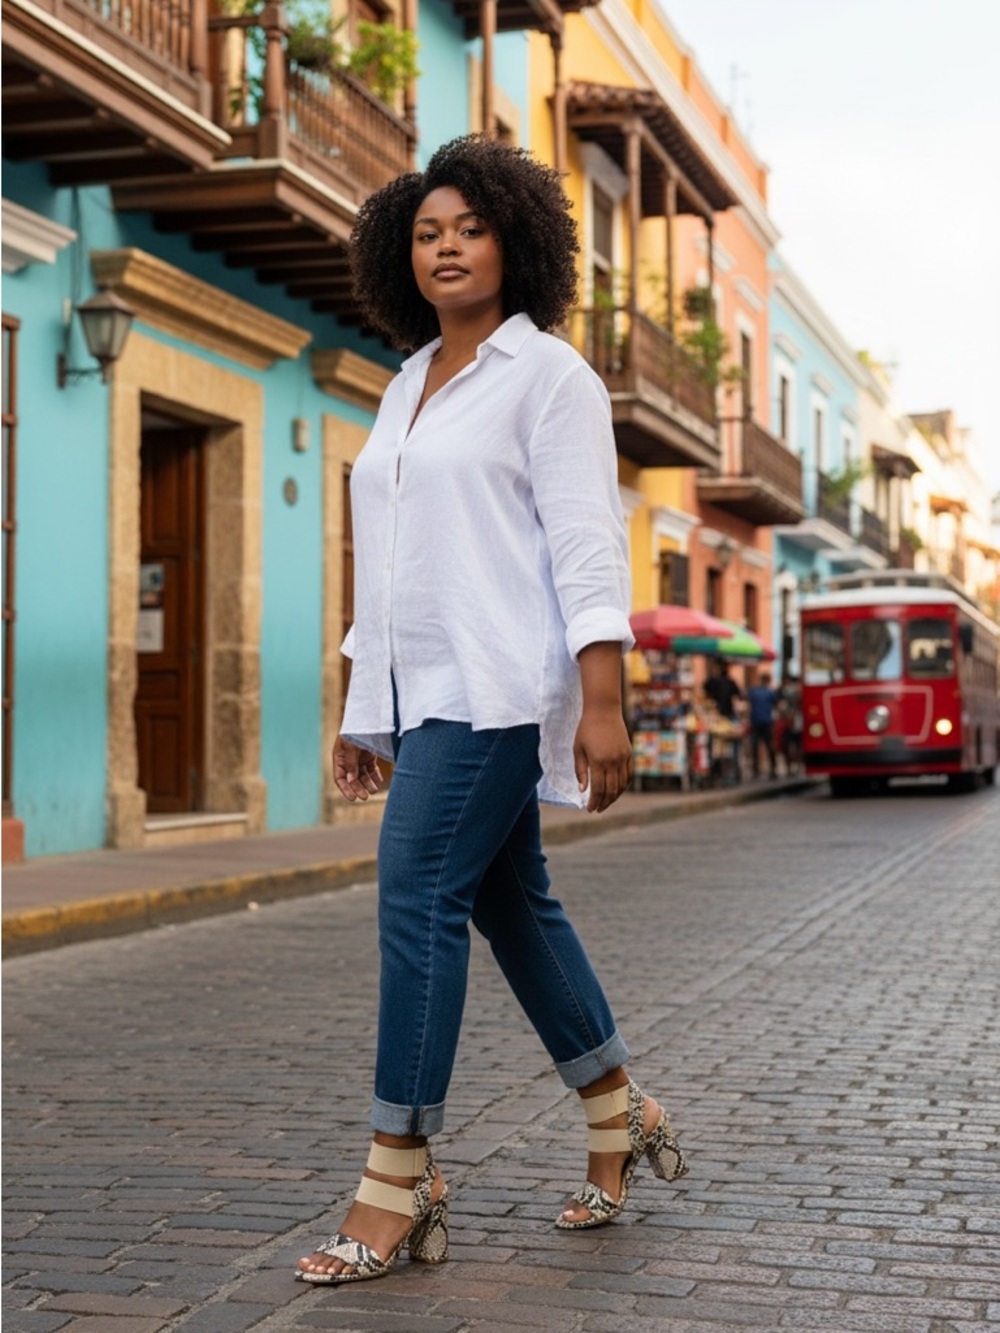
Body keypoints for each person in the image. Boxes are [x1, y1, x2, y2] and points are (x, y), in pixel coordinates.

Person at [295, 136, 687, 1286]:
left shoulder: (550, 376)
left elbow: (582, 541)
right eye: (426, 233)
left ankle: (397, 1179)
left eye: (468, 227)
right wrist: (367, 699)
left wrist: (602, 701)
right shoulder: (405, 380)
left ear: (514, 241)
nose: (447, 247)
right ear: (399, 255)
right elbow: (391, 555)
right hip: (427, 694)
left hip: (502, 689)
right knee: (513, 907)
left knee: (415, 891)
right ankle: (620, 1112)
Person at [746, 671, 780, 778]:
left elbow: (746, 698)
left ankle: (756, 770)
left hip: (755, 721)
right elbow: (777, 703)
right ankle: (773, 770)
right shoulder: (770, 693)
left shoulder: (754, 692)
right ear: (768, 681)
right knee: (769, 746)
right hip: (767, 721)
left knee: (755, 746)